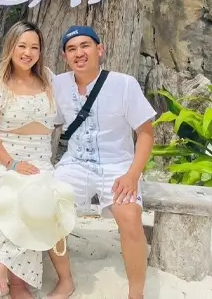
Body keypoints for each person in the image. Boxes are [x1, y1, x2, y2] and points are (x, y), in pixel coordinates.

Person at [49, 27, 155, 299]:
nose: (79, 53)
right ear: (65, 56)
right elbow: (50, 124)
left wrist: (132, 175)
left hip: (117, 166)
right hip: (74, 163)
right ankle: (65, 280)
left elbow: (145, 133)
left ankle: (136, 293)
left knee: (130, 216)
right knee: (47, 207)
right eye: (71, 49)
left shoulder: (124, 84)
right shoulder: (59, 84)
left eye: (85, 45)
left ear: (100, 49)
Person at [0, 21, 59, 299]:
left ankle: (8, 269)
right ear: (10, 48)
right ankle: (11, 279)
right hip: (2, 157)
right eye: (22, 46)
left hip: (40, 157)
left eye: (34, 47)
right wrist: (11, 163)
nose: (28, 52)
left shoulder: (48, 78)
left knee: (41, 200)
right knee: (12, 198)